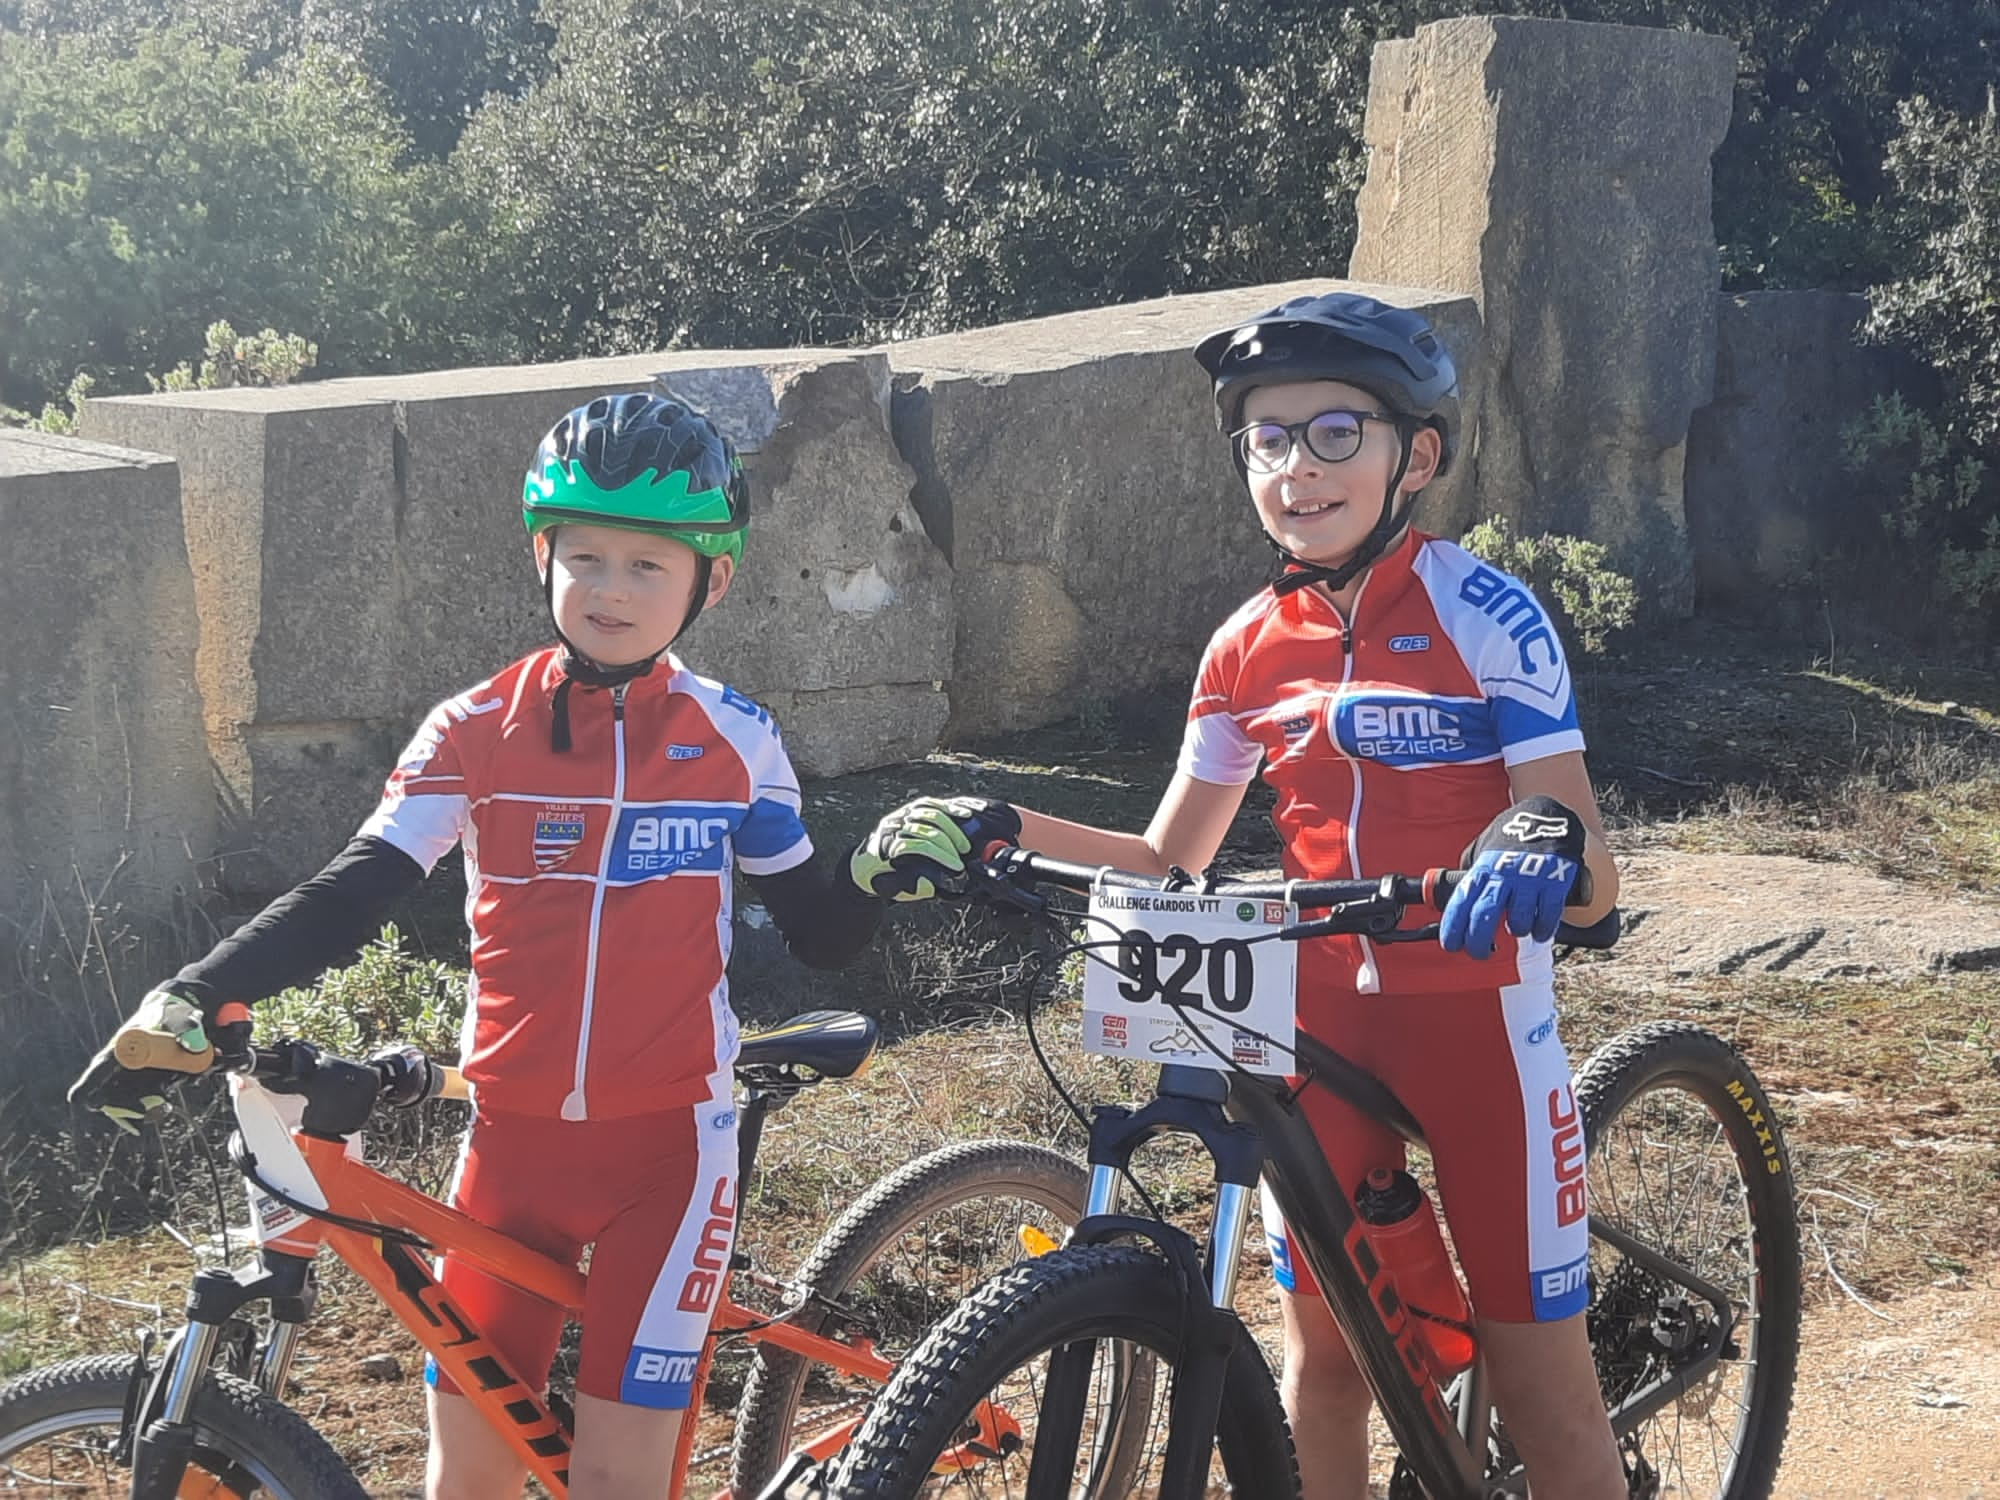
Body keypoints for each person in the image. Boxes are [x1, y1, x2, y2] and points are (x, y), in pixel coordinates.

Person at [72, 390, 952, 1500]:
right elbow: (361, 888)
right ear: (542, 560)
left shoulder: (737, 737)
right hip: (509, 1149)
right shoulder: (474, 728)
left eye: (647, 563)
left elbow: (821, 935)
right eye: (584, 557)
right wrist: (197, 990)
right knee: (469, 1474)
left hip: (668, 1157)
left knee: (615, 1479)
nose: (611, 590)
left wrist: (872, 879)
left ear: (710, 581)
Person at [854, 292, 1629, 1498]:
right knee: (1326, 1361)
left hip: (1479, 1018)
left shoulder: (1488, 614)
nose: (1293, 466)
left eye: (1333, 433)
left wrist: (1539, 837)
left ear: (1413, 456)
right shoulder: (1242, 648)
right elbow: (1170, 862)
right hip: (1303, 1015)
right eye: (1266, 438)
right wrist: (1004, 824)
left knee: (1540, 1388)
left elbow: (1589, 887)